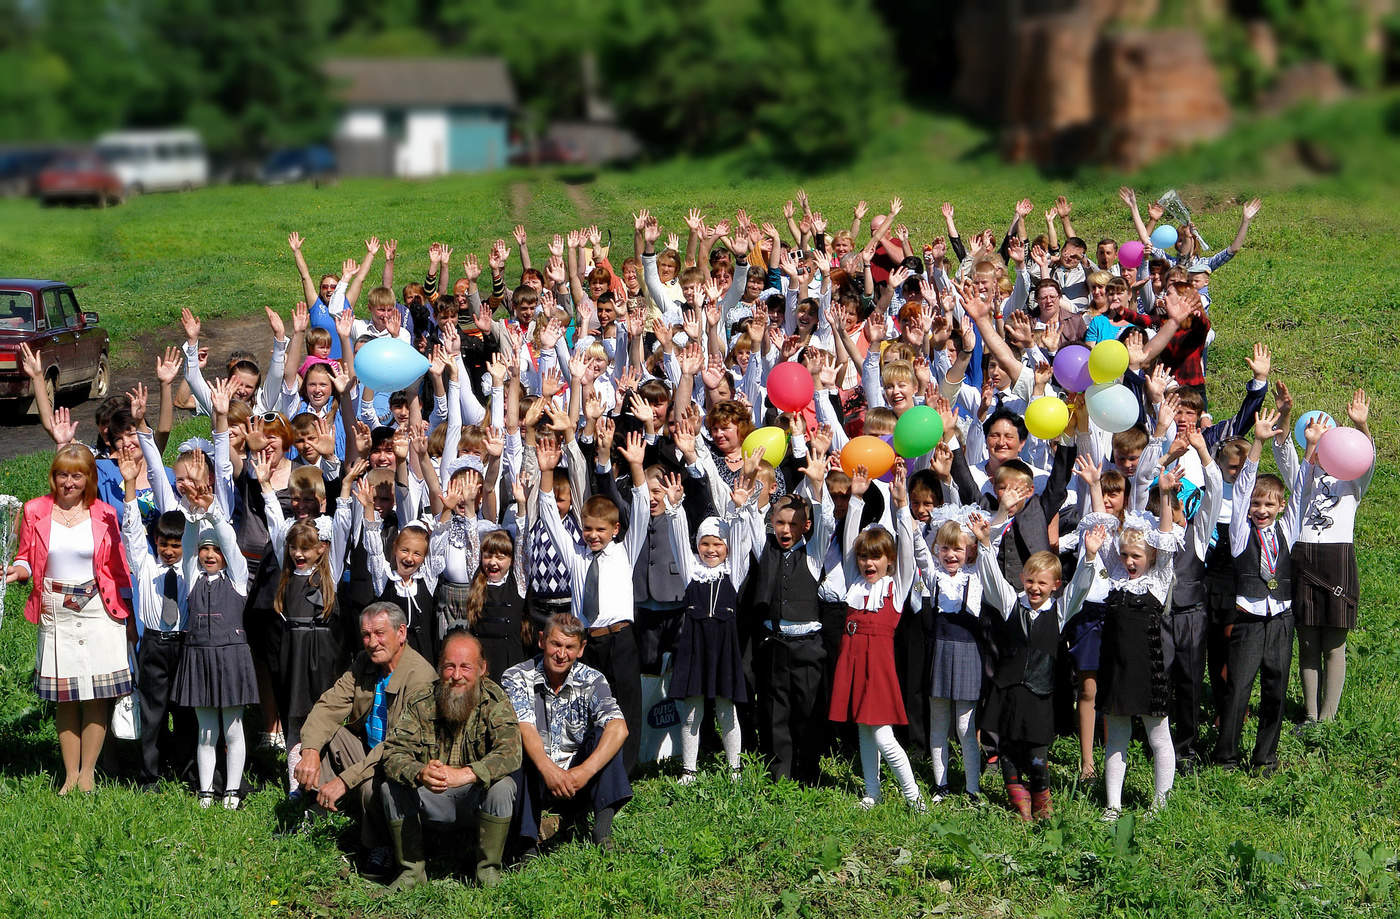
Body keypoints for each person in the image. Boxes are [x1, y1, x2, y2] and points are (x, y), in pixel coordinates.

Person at [6, 444, 135, 795]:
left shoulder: (105, 513)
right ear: (54, 476)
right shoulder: (35, 510)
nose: (68, 482)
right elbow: (27, 559)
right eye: (62, 474)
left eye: (76, 475)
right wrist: (15, 572)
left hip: (99, 609)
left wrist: (131, 619)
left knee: (95, 695)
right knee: (65, 698)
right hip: (56, 609)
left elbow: (118, 569)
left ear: (88, 478)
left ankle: (88, 774)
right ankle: (69, 774)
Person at [294, 602, 437, 874]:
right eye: (366, 635)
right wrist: (310, 750)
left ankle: (379, 844)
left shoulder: (420, 677)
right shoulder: (364, 663)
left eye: (380, 633)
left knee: (373, 788)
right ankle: (318, 809)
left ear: (402, 632)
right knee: (329, 734)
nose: (372, 642)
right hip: (368, 751)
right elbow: (329, 705)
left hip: (403, 765)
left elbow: (397, 745)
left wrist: (344, 781)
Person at [1074, 470, 1183, 821]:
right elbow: (1101, 535)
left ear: (1149, 555)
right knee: (1117, 737)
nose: (1129, 561)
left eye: (1136, 555)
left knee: (1158, 737)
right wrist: (1093, 487)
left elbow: (1165, 538)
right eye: (1125, 555)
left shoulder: (1157, 578)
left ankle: (1160, 804)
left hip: (1149, 668)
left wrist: (1165, 497)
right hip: (1116, 669)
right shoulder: (1118, 575)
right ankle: (1113, 804)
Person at [970, 516, 1093, 821]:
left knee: (1038, 755)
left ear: (1055, 585)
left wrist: (1089, 557)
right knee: (1009, 752)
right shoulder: (1012, 603)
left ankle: (1042, 802)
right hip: (1009, 692)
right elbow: (994, 581)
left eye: (1042, 583)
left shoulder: (1060, 612)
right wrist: (985, 544)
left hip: (1041, 695)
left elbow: (1079, 588)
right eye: (1030, 581)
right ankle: (1018, 802)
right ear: (1023, 578)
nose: (1035, 588)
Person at [377, 630, 521, 890]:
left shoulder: (495, 700)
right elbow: (393, 753)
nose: (456, 676)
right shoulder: (421, 701)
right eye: (449, 667)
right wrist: (420, 772)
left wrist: (466, 774)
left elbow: (511, 752)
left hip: (475, 800)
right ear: (439, 667)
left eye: (466, 667)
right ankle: (411, 872)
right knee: (391, 788)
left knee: (504, 787)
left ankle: (487, 872)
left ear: (482, 669)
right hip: (431, 798)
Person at [1213, 409, 1307, 774]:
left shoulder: (1286, 531)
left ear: (1281, 508)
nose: (1261, 510)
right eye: (1256, 504)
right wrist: (1257, 445)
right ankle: (1226, 757)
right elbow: (1240, 490)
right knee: (1238, 690)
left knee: (1276, 689)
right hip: (1249, 620)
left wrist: (1309, 448)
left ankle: (1265, 757)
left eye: (1269, 504)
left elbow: (1299, 488)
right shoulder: (1240, 534)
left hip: (1281, 619)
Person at [829, 461, 925, 810]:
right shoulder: (855, 583)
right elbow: (848, 541)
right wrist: (855, 499)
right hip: (853, 658)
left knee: (883, 734)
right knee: (864, 730)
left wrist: (901, 506)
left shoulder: (894, 588)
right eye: (864, 558)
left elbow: (908, 556)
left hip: (879, 666)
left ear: (888, 561)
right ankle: (873, 791)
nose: (870, 564)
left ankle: (914, 797)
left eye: (877, 559)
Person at [501, 613, 632, 853]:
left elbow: (619, 727)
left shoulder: (593, 679)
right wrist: (548, 770)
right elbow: (524, 727)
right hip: (536, 778)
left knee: (607, 734)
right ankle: (526, 846)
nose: (562, 654)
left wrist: (583, 772)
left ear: (581, 649)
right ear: (542, 641)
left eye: (570, 647)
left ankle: (602, 833)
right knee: (516, 746)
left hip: (576, 780)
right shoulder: (516, 676)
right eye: (556, 644)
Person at [659, 471, 757, 783]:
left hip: (725, 645)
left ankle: (734, 768)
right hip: (695, 645)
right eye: (705, 544)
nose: (711, 550)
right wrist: (674, 510)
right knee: (692, 711)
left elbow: (742, 544)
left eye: (718, 544)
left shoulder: (734, 572)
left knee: (727, 710)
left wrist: (740, 511)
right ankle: (689, 768)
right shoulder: (693, 571)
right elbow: (677, 541)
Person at [170, 484, 259, 809]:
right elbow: (189, 543)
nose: (210, 554)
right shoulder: (191, 578)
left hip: (230, 656)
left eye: (216, 550)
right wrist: (194, 515)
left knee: (232, 729)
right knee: (206, 731)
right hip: (198, 656)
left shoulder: (237, 579)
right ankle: (207, 790)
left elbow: (233, 547)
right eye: (206, 550)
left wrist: (215, 514)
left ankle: (232, 791)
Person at [117, 451, 193, 790]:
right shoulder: (146, 567)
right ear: (156, 543)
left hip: (186, 643)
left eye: (176, 545)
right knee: (153, 712)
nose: (169, 550)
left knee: (187, 710)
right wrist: (130, 484)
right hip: (154, 644)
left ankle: (189, 769)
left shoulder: (192, 571)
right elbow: (132, 531)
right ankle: (150, 774)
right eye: (164, 544)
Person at [1292, 392, 1370, 722]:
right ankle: (1310, 716)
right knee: (1308, 643)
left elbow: (1367, 458)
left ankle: (1328, 719)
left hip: (1338, 558)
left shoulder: (1352, 481)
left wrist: (1361, 425)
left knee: (1334, 645)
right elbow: (1297, 487)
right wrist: (1310, 446)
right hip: (1305, 556)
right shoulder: (1308, 475)